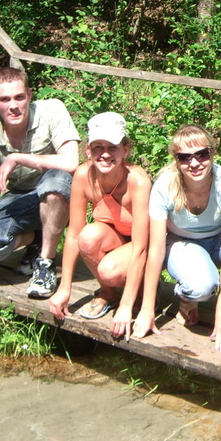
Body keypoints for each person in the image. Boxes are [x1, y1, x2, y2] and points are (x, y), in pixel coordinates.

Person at [133, 125, 221, 351]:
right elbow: (156, 250)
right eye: (185, 157)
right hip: (183, 243)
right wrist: (146, 309)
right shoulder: (164, 187)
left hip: (219, 240)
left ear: (212, 153)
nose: (194, 163)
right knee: (202, 286)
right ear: (176, 160)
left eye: (202, 154)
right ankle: (189, 297)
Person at [0, 67, 80, 299]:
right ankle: (36, 239)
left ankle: (45, 264)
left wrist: (17, 158)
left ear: (29, 95)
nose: (13, 106)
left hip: (61, 190)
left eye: (19, 97)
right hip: (22, 198)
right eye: (5, 99)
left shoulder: (52, 110)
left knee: (55, 182)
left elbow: (71, 161)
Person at [48, 112, 151, 339]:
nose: (105, 154)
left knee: (109, 270)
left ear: (126, 150)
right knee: (87, 235)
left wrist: (126, 306)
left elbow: (142, 247)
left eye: (112, 147)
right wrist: (65, 288)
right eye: (98, 147)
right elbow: (73, 234)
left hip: (144, 246)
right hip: (115, 239)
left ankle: (134, 294)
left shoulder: (138, 181)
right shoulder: (83, 175)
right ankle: (107, 293)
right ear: (88, 150)